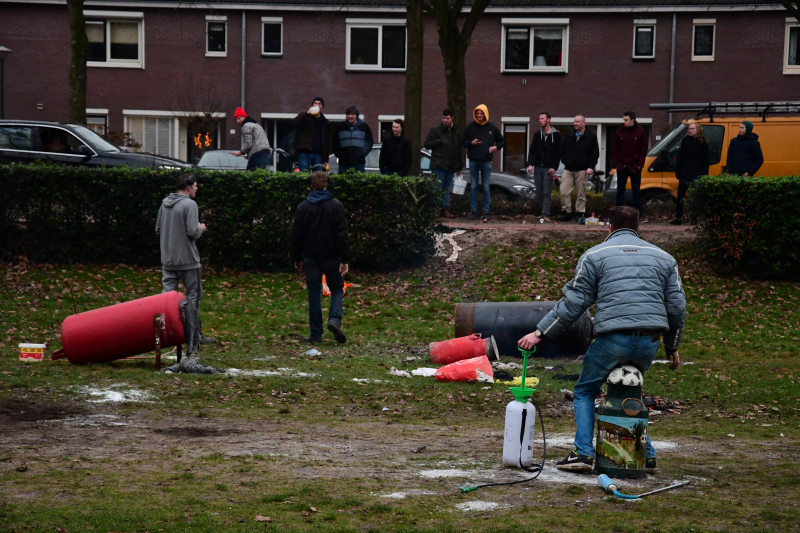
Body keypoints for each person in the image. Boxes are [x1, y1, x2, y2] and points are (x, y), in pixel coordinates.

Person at [518, 206, 685, 474]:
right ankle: (647, 455)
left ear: (609, 227)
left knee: (585, 391)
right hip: (648, 342)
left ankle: (582, 453)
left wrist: (539, 332)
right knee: (628, 390)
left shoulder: (594, 256)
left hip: (612, 339)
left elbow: (575, 302)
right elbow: (676, 306)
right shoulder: (665, 258)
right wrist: (672, 346)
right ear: (639, 229)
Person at [155, 173, 216, 344]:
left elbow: (158, 229)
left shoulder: (165, 203)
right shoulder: (190, 204)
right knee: (193, 296)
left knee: (166, 297)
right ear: (188, 187)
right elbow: (193, 232)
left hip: (168, 259)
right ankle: (193, 334)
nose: (197, 188)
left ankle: (164, 332)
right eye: (195, 185)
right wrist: (201, 228)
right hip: (188, 260)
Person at [291, 171, 349, 344]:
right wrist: (344, 259)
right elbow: (342, 235)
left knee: (314, 294)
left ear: (311, 186)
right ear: (326, 185)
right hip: (331, 256)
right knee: (337, 288)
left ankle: (316, 333)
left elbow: (296, 235)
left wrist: (297, 257)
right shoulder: (336, 206)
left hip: (311, 257)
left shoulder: (303, 207)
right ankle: (335, 320)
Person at [462, 104, 504, 223]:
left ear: (485, 114)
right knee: (474, 186)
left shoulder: (492, 127)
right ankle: (474, 211)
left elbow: (501, 141)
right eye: (478, 113)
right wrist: (472, 143)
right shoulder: (470, 127)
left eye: (481, 113)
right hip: (474, 161)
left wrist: (494, 147)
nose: (479, 116)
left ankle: (486, 212)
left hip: (486, 161)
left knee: (486, 187)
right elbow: (463, 142)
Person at [556, 115, 599, 223]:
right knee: (564, 191)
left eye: (578, 122)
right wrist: (565, 160)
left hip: (582, 169)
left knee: (581, 193)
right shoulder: (569, 135)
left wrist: (590, 166)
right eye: (574, 121)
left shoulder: (591, 137)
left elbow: (595, 153)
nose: (575, 123)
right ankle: (567, 212)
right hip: (569, 169)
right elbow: (562, 149)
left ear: (583, 123)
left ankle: (579, 214)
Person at [424, 108, 463, 218]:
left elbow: (458, 149)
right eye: (443, 118)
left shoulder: (455, 131)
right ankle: (436, 209)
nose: (445, 120)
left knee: (447, 188)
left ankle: (446, 208)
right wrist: (439, 141)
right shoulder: (435, 130)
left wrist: (459, 166)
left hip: (450, 165)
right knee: (438, 187)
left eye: (447, 118)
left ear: (452, 118)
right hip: (438, 164)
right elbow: (427, 144)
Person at [671, 122, 710, 226]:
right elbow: (680, 157)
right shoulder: (685, 141)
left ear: (698, 130)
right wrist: (678, 171)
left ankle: (694, 218)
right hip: (685, 172)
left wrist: (703, 175)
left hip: (697, 173)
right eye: (689, 129)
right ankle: (678, 217)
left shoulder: (703, 143)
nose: (690, 130)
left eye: (692, 129)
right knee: (680, 196)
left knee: (694, 197)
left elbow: (706, 161)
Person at [526, 112, 563, 221]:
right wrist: (530, 164)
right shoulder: (537, 135)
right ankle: (544, 211)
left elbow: (558, 153)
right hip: (538, 166)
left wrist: (554, 167)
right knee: (539, 191)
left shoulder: (556, 136)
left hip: (549, 167)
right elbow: (532, 149)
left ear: (548, 120)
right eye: (539, 118)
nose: (540, 120)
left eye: (542, 118)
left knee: (547, 192)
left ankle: (545, 214)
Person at [612, 111, 649, 216]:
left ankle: (637, 212)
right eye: (623, 120)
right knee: (620, 189)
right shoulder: (618, 132)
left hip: (635, 165)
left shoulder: (640, 131)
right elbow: (614, 148)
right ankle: (618, 212)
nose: (624, 122)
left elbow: (643, 148)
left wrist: (640, 164)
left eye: (626, 120)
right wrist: (616, 164)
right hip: (622, 165)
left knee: (636, 189)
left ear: (632, 120)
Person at [292, 97, 330, 172]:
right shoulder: (306, 117)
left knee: (318, 176)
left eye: (319, 104)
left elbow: (327, 141)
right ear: (312, 105)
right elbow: (294, 123)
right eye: (315, 103)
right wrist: (307, 113)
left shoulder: (325, 121)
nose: (317, 105)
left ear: (322, 106)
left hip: (319, 154)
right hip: (306, 152)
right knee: (303, 174)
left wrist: (325, 159)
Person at [332, 106, 374, 173]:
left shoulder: (364, 127)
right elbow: (334, 142)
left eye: (352, 114)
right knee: (343, 182)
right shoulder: (340, 127)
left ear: (356, 115)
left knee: (359, 182)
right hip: (343, 163)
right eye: (348, 114)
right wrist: (339, 154)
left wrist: (362, 154)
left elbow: (370, 142)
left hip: (359, 163)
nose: (350, 116)